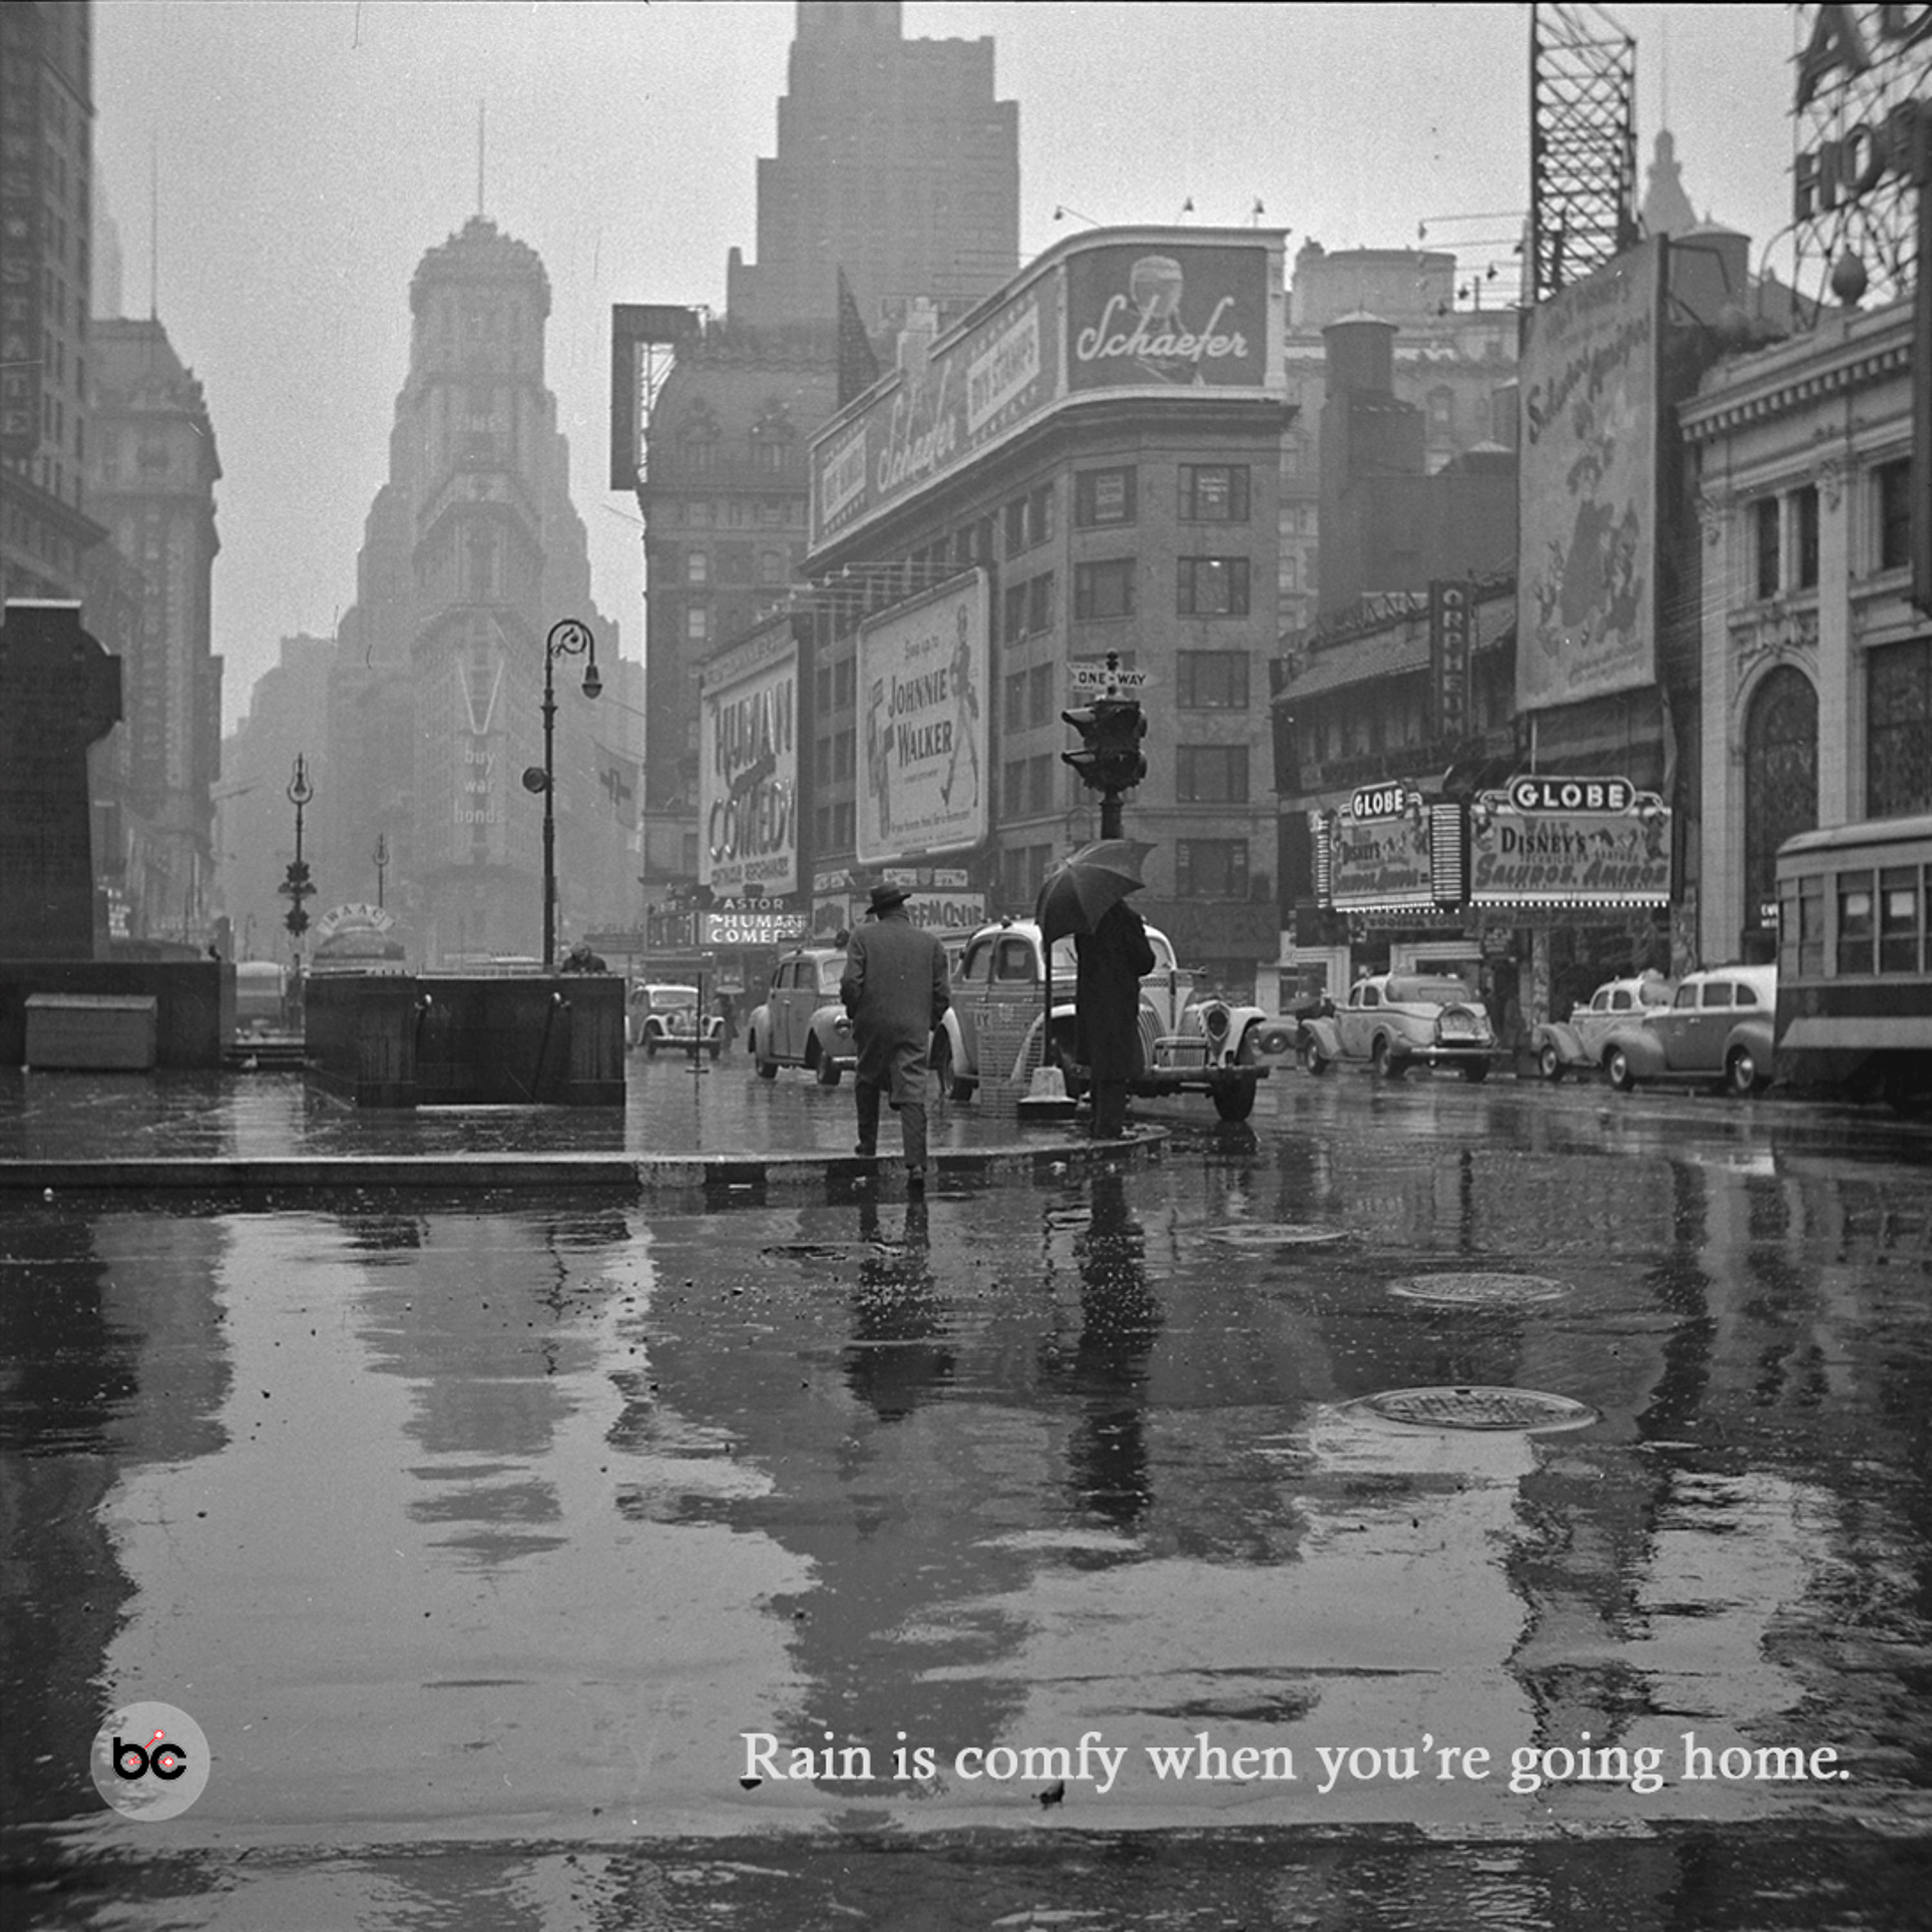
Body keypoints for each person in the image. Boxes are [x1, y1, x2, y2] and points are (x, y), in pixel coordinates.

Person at [840, 883, 951, 1187]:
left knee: (867, 1078)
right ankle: (916, 1165)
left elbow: (851, 983)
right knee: (913, 1089)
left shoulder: (862, 937)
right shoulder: (931, 943)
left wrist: (855, 1011)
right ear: (904, 909)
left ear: (878, 912)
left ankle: (867, 1149)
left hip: (872, 1022)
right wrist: (928, 1020)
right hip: (913, 1025)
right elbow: (942, 993)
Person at [1074, 898, 1155, 1140]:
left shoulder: (1085, 923)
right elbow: (1145, 962)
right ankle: (1110, 1128)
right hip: (1118, 1002)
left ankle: (1098, 1123)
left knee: (1100, 1065)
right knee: (1116, 1067)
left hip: (1092, 1002)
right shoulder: (1127, 919)